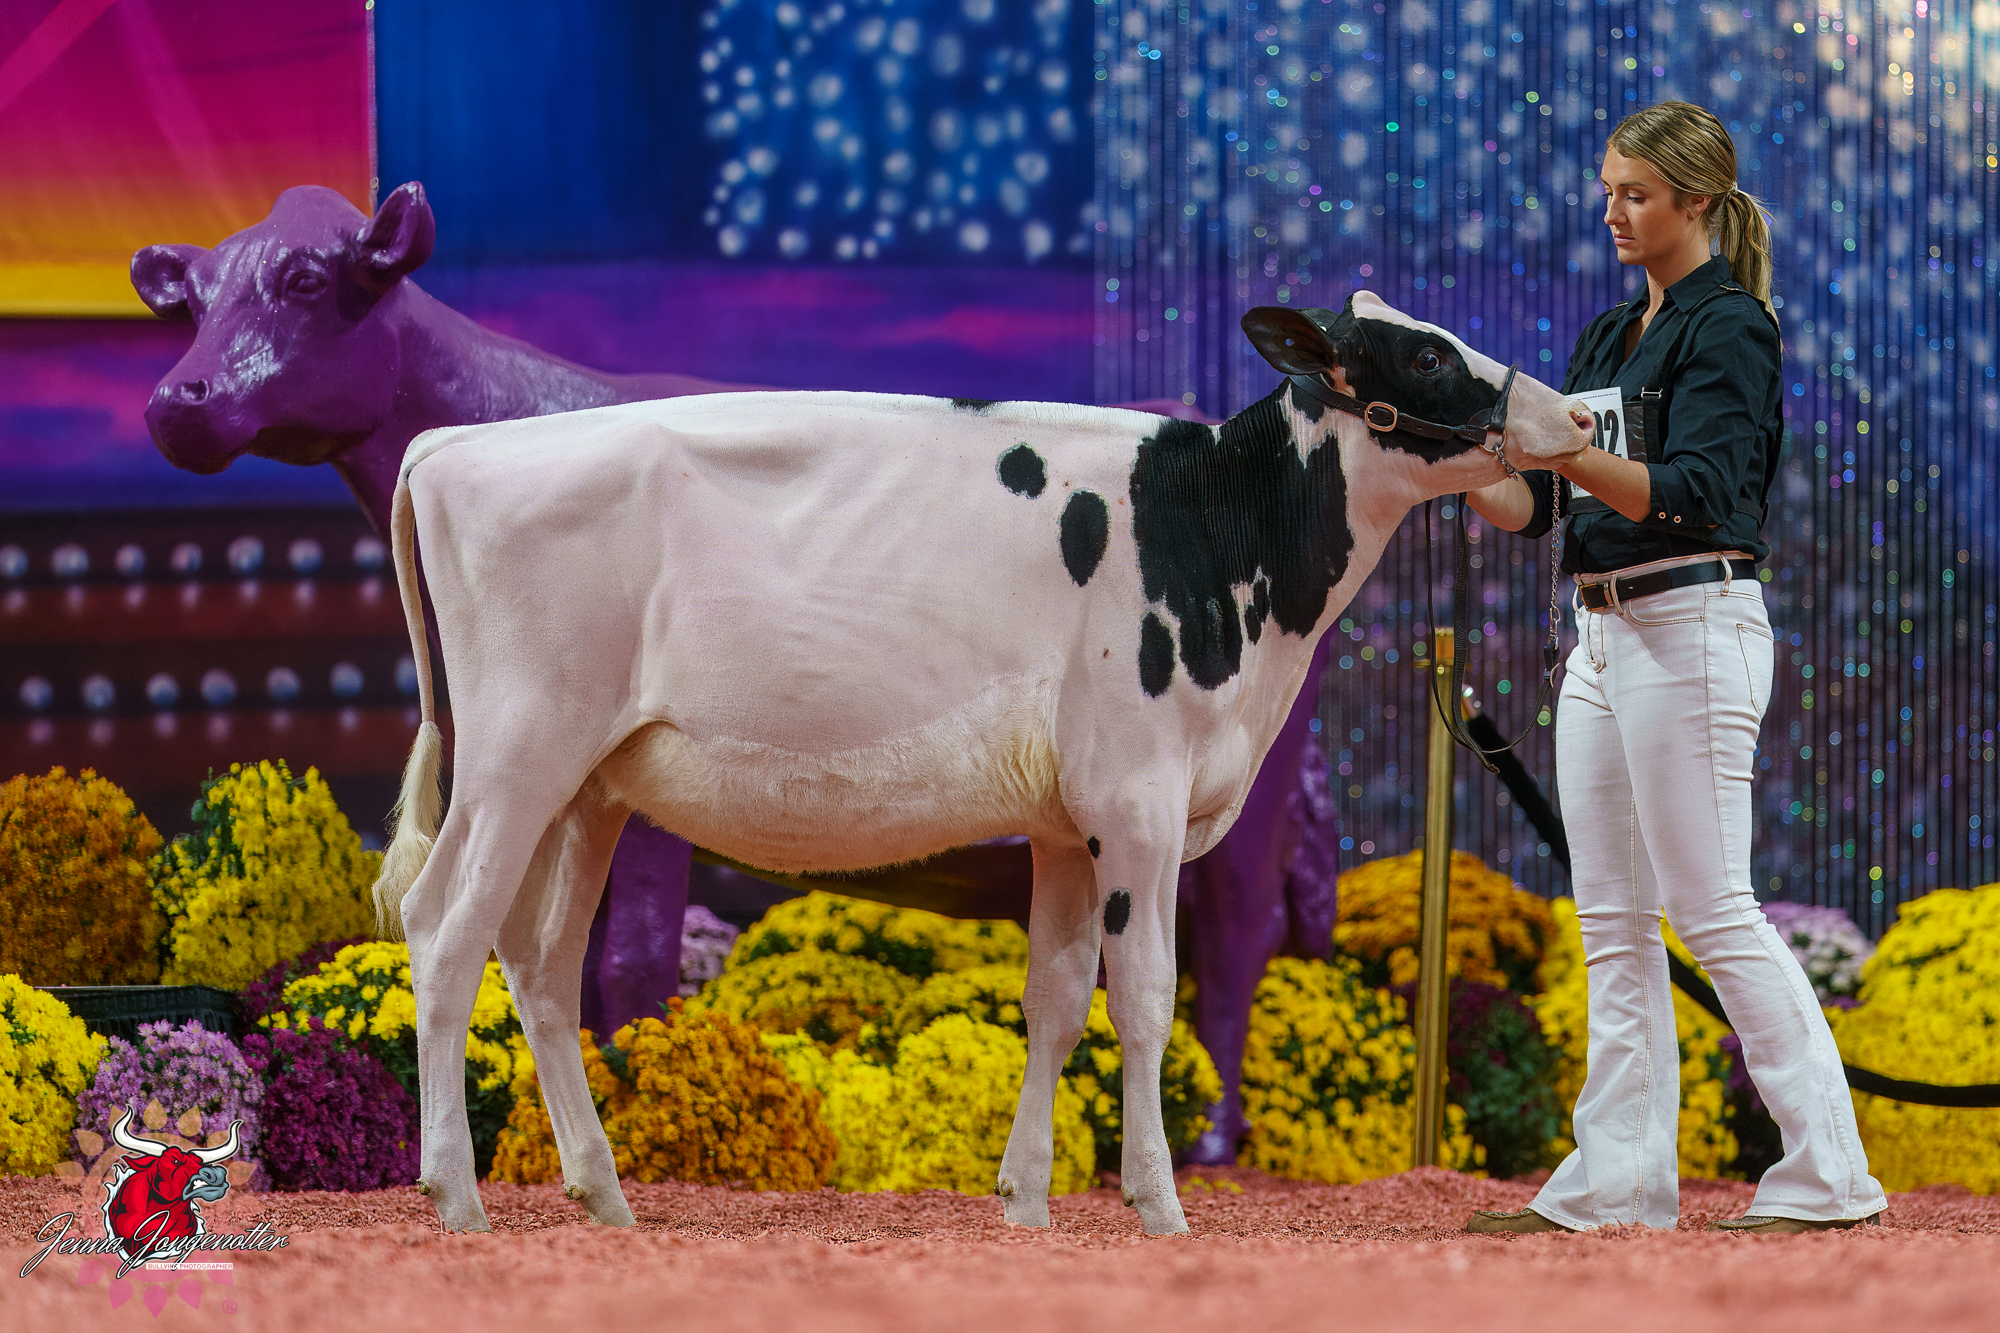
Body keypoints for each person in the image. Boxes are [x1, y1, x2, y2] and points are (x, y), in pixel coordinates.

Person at [1459, 101, 1887, 1235]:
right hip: (1601, 633)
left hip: (1693, 620)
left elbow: (1694, 491)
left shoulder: (1731, 325)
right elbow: (1538, 504)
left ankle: (1831, 1174)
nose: (1612, 211)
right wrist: (1456, 459)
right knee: (1610, 919)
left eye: (1634, 194)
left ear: (1694, 201)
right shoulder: (1610, 333)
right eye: (1608, 190)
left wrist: (1565, 452)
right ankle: (1616, 1184)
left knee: (1713, 908)